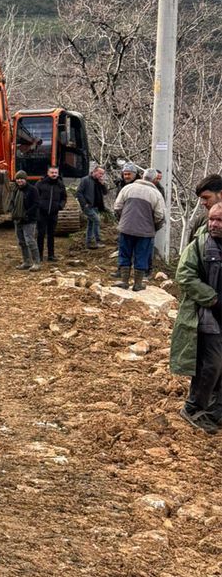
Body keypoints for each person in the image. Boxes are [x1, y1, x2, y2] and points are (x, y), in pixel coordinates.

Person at [171, 201, 222, 434]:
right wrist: (212, 299)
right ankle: (193, 408)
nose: (214, 224)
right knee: (210, 365)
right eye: (212, 219)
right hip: (207, 314)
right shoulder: (200, 245)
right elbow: (184, 275)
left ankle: (214, 412)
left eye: (219, 220)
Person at [112, 166, 166, 291]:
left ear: (142, 176)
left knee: (124, 253)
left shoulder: (128, 188)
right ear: (154, 181)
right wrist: (153, 226)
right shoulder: (156, 193)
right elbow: (160, 215)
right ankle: (137, 284)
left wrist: (123, 220)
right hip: (145, 231)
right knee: (141, 255)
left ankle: (124, 281)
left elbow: (117, 207)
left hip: (126, 228)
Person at [6, 170, 41, 271]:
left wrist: (27, 214)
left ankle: (36, 262)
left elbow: (36, 204)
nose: (19, 181)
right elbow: (12, 202)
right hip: (18, 219)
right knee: (21, 242)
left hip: (29, 220)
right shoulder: (15, 190)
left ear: (25, 179)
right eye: (17, 179)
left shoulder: (32, 190)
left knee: (30, 241)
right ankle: (27, 261)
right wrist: (12, 212)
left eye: (21, 179)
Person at [35, 165, 67, 262]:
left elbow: (64, 198)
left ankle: (51, 255)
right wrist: (39, 206)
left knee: (51, 234)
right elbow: (35, 196)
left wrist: (60, 206)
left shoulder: (60, 185)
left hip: (53, 214)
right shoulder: (40, 183)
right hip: (42, 213)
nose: (54, 174)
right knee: (40, 234)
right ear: (48, 173)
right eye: (52, 172)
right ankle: (39, 255)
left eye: (55, 173)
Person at [76, 163, 108, 249]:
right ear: (94, 171)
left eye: (102, 174)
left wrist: (102, 184)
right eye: (100, 173)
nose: (101, 175)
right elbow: (79, 192)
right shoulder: (85, 180)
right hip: (88, 206)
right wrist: (84, 204)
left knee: (91, 224)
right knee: (97, 220)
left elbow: (105, 193)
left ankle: (88, 243)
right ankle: (98, 241)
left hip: (96, 206)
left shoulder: (99, 181)